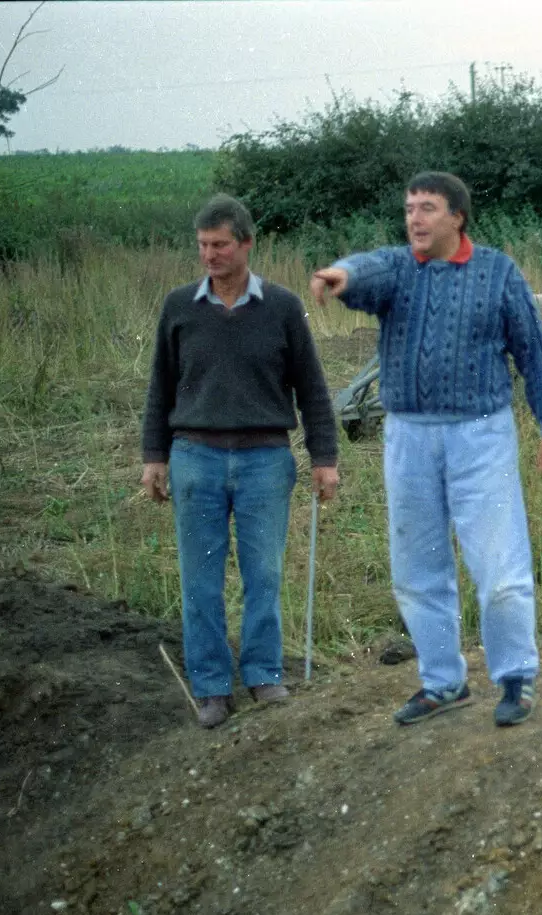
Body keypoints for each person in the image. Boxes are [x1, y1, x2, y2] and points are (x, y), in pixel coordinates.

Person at [309, 171, 542, 728]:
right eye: (409, 209)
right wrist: (342, 275)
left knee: (499, 565)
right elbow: (368, 268)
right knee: (417, 565)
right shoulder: (400, 270)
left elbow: (534, 352)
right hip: (408, 437)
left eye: (427, 208)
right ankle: (443, 682)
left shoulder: (497, 272)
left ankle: (516, 678)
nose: (415, 220)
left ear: (457, 217)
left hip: (482, 436)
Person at [142, 194, 340, 728]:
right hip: (195, 459)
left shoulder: (280, 306)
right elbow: (160, 386)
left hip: (264, 461)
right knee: (200, 580)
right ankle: (210, 688)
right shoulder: (179, 306)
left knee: (264, 575)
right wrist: (154, 456)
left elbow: (313, 389)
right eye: (203, 246)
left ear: (247, 245)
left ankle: (263, 675)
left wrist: (325, 457)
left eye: (221, 245)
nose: (210, 255)